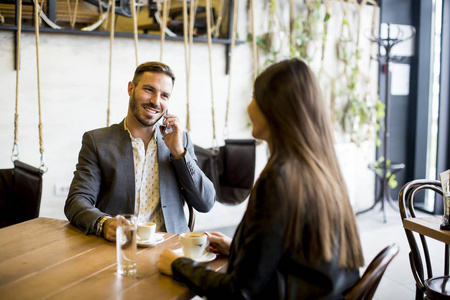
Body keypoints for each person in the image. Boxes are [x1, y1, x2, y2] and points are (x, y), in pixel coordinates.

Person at [157, 58, 365, 299]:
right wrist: (237, 248)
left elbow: (239, 292)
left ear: (274, 108)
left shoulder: (278, 180)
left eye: (254, 97)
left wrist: (176, 265)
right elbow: (294, 257)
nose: (249, 107)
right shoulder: (319, 169)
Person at [64, 62, 215, 241]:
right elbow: (77, 201)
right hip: (118, 247)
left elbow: (205, 203)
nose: (155, 101)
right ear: (131, 88)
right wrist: (103, 223)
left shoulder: (180, 141)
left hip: (171, 245)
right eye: (149, 90)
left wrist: (179, 152)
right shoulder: (97, 141)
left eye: (164, 95)